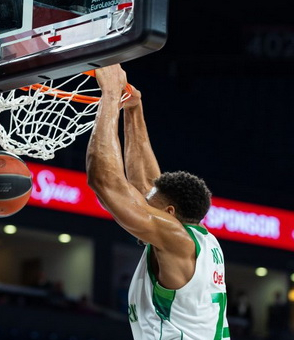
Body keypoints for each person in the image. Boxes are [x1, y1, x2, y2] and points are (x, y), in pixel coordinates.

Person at [86, 64, 229, 339]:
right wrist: (133, 111)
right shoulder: (198, 239)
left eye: (148, 202)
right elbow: (148, 185)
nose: (140, 199)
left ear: (170, 212)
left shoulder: (178, 239)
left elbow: (104, 182)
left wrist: (111, 96)